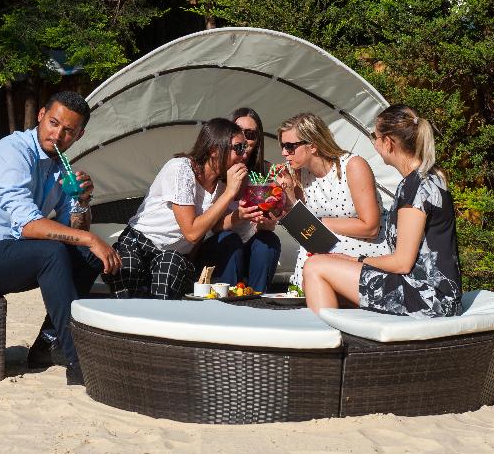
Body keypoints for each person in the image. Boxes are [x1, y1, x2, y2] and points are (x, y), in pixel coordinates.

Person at [0, 91, 121, 385]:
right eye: (54, 123)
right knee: (54, 252)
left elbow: (75, 229)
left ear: (79, 135)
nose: (57, 135)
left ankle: (47, 345)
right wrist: (91, 239)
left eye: (68, 131)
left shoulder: (59, 169)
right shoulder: (14, 153)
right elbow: (29, 227)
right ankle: (78, 362)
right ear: (41, 116)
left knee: (86, 256)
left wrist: (82, 202)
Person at [301, 104, 463, 318]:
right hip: (432, 293)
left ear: (388, 142)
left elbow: (402, 263)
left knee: (315, 266)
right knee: (325, 278)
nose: (374, 144)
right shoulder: (428, 177)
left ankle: (327, 337)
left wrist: (355, 260)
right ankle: (341, 333)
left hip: (429, 299)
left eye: (374, 137)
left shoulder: (415, 187)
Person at [103, 118, 252, 299]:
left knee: (170, 269)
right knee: (128, 298)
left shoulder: (221, 188)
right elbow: (192, 232)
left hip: (172, 255)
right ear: (214, 150)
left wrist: (240, 214)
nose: (244, 154)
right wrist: (229, 194)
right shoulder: (181, 169)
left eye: (245, 147)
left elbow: (212, 227)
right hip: (138, 243)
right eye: (238, 148)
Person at [275, 113, 389, 287]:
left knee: (313, 258)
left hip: (366, 249)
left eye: (290, 147)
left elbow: (371, 228)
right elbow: (303, 229)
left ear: (313, 146)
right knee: (309, 253)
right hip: (324, 248)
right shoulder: (299, 174)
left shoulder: (353, 166)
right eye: (283, 146)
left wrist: (318, 224)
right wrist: (289, 194)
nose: (284, 153)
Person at [197, 108, 282, 292]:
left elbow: (266, 224)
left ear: (257, 140)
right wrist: (239, 214)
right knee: (230, 239)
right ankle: (228, 301)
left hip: (246, 246)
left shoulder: (264, 174)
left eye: (250, 134)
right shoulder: (217, 169)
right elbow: (211, 227)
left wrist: (267, 222)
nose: (243, 139)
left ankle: (257, 298)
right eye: (238, 132)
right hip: (216, 247)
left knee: (268, 241)